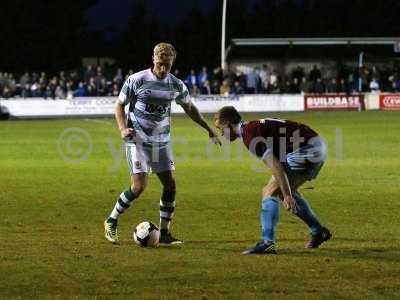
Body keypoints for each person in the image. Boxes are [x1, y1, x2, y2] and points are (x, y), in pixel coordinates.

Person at [104, 42, 221, 244]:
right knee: (138, 187)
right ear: (153, 59)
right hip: (137, 140)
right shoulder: (137, 80)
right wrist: (123, 129)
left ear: (172, 62)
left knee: (170, 185)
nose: (163, 69)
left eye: (167, 64)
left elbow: (190, 108)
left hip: (161, 142)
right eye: (160, 64)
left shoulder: (176, 84)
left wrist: (208, 128)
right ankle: (111, 220)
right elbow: (119, 105)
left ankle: (165, 234)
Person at [214, 106, 331, 254]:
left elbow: (275, 164)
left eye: (221, 128)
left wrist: (287, 194)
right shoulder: (251, 129)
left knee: (269, 192)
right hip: (315, 146)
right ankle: (318, 231)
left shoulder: (249, 135)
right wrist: (286, 192)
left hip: (307, 149)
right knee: (282, 189)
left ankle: (268, 242)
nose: (221, 133)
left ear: (228, 124)